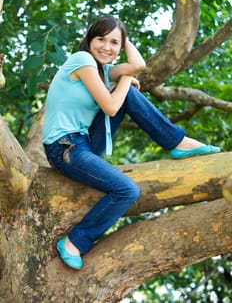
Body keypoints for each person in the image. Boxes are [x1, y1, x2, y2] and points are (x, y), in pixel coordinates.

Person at [42, 15, 220, 270]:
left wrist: (123, 45)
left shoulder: (102, 69)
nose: (106, 47)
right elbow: (111, 107)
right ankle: (74, 241)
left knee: (129, 93)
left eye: (114, 42)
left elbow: (138, 64)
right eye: (100, 39)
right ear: (89, 39)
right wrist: (124, 81)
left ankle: (177, 143)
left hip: (83, 141)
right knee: (127, 190)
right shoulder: (82, 61)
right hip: (64, 147)